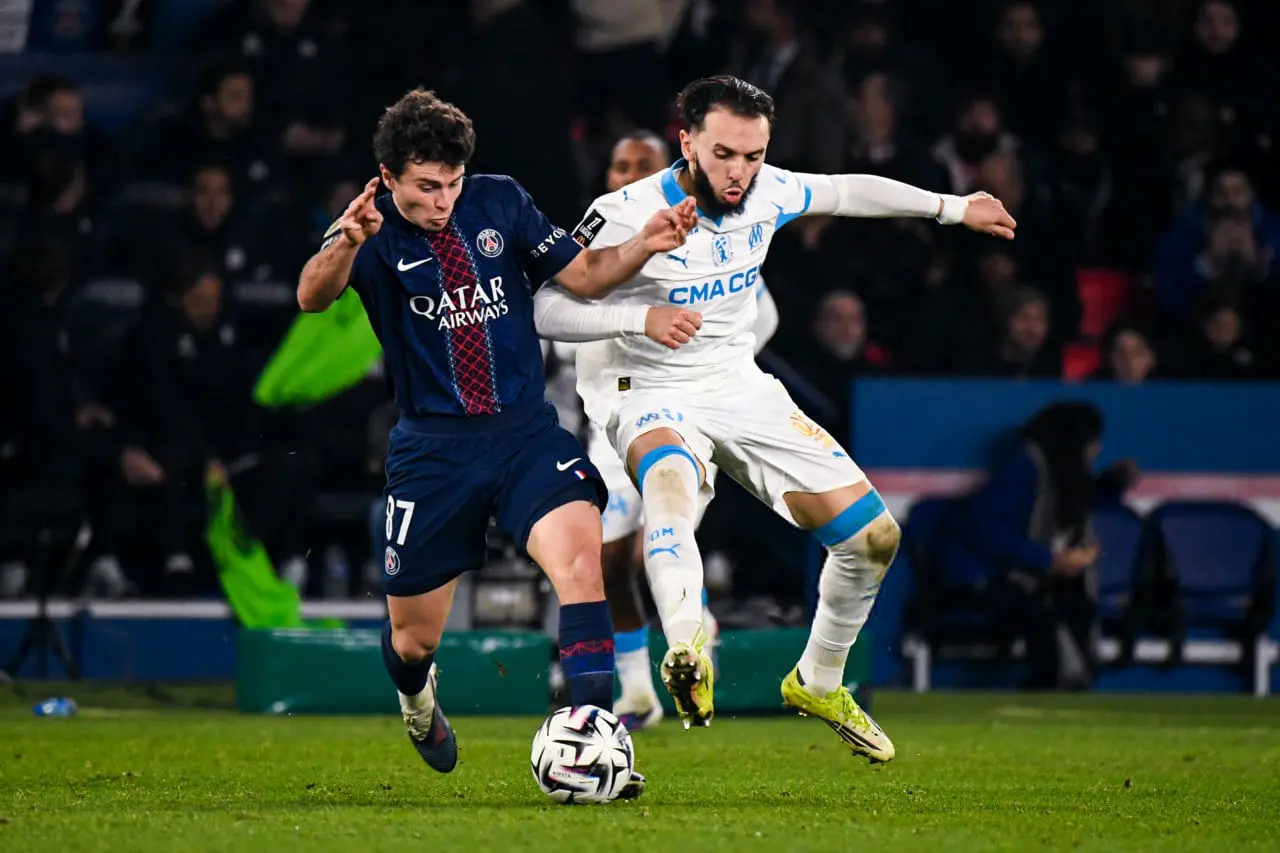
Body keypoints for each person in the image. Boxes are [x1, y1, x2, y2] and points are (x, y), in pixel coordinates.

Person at [533, 75, 1015, 760]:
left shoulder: (771, 191)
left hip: (737, 386)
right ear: (687, 142)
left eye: (754, 155)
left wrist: (953, 207)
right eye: (724, 154)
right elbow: (545, 307)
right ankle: (686, 648)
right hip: (645, 386)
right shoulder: (623, 210)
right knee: (669, 484)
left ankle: (819, 679)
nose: (740, 171)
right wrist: (641, 317)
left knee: (873, 538)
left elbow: (847, 191)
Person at [295, 89, 699, 789]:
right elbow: (311, 295)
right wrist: (346, 240)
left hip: (524, 433)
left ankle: (596, 741)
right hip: (433, 450)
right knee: (413, 639)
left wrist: (643, 244)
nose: (443, 200)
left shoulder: (499, 200)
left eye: (452, 182)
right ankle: (417, 699)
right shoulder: (368, 227)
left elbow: (584, 276)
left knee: (582, 567)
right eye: (427, 186)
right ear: (389, 176)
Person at [555, 129, 781, 732]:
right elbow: (557, 320)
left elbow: (763, 315)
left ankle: (691, 635)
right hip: (613, 421)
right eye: (620, 164)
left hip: (683, 413)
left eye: (644, 164)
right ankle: (636, 691)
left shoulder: (711, 235)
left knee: (652, 540)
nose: (630, 174)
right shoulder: (595, 237)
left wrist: (711, 364)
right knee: (606, 564)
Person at [940, 402, 1138, 690]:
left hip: (1022, 582)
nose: (1096, 450)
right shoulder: (1023, 471)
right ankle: (1049, 687)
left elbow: (1079, 501)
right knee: (1044, 613)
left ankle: (1068, 682)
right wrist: (1049, 559)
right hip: (982, 582)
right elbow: (985, 533)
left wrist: (1112, 485)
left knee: (1077, 604)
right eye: (1091, 441)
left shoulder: (1056, 474)